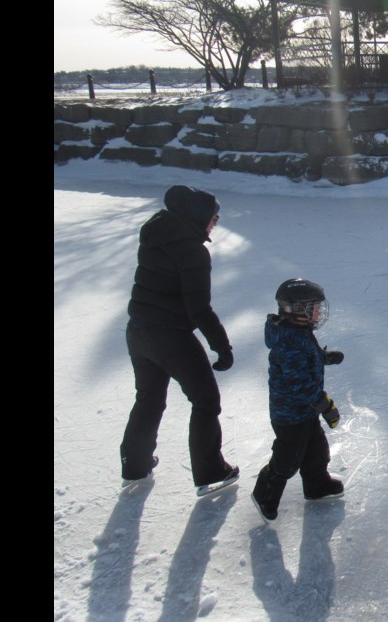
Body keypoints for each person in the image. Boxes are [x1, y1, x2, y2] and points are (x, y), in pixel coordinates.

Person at [120, 185, 239, 496]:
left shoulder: (155, 237)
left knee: (149, 398)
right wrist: (222, 346)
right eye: (214, 216)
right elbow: (198, 309)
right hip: (171, 338)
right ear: (199, 216)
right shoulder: (193, 251)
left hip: (138, 333)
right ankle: (211, 472)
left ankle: (135, 463)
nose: (216, 222)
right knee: (206, 401)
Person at [252, 278, 345, 522]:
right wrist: (326, 406)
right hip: (290, 415)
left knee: (317, 451)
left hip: (304, 412)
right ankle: (265, 494)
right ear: (298, 309)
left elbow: (307, 357)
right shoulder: (289, 342)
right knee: (287, 459)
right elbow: (300, 385)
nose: (319, 312)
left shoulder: (297, 333)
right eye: (314, 307)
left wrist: (323, 357)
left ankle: (317, 486)